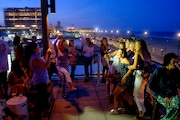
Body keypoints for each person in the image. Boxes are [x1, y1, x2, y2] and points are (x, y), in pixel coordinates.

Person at [121, 39, 152, 119]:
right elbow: (148, 62)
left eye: (137, 45)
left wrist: (127, 66)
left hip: (140, 75)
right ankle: (142, 113)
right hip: (143, 76)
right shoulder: (144, 52)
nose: (135, 46)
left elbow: (135, 66)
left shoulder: (139, 52)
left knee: (135, 95)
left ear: (141, 46)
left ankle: (142, 112)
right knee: (140, 95)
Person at [149, 53, 180, 120]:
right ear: (168, 61)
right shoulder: (159, 71)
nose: (176, 64)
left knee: (177, 108)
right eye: (174, 62)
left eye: (177, 62)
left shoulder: (176, 72)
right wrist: (164, 96)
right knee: (174, 107)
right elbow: (151, 85)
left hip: (172, 94)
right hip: (160, 94)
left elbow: (178, 85)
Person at [28, 42, 52, 118]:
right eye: (38, 47)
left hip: (41, 80)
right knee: (40, 100)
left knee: (42, 98)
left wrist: (47, 54)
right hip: (40, 81)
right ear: (34, 49)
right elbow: (46, 65)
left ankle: (42, 113)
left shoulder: (36, 57)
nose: (39, 47)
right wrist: (50, 56)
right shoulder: (35, 59)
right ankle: (39, 115)